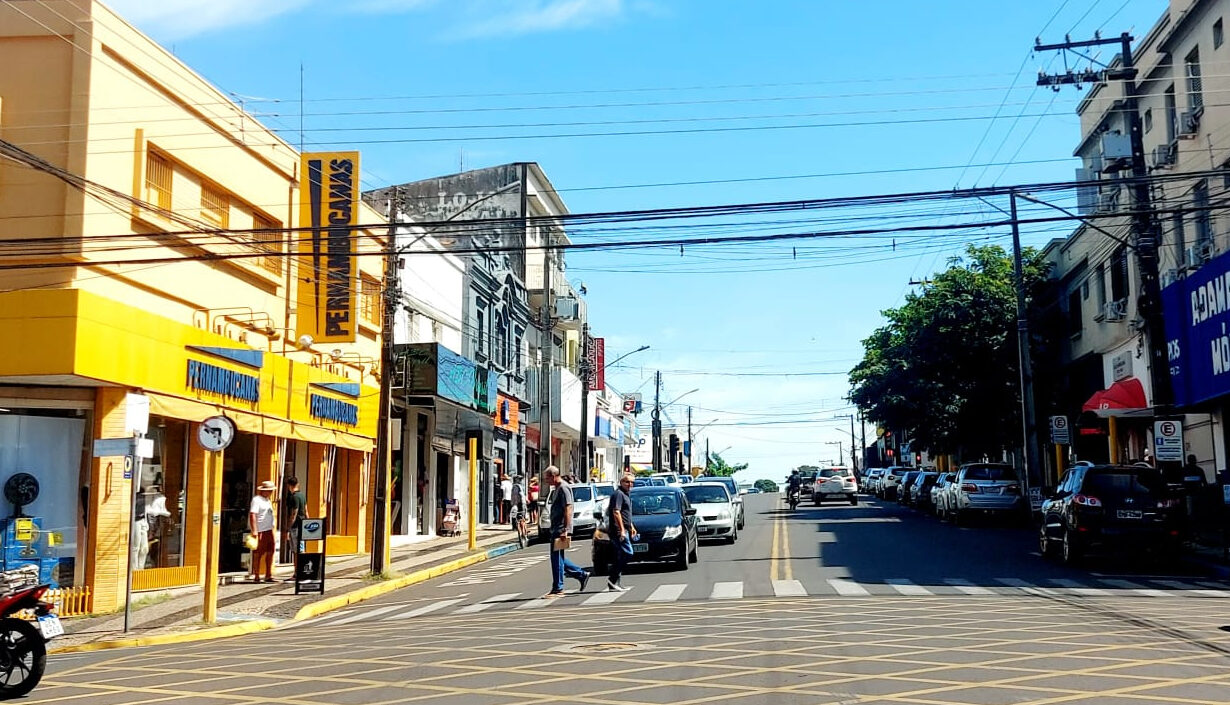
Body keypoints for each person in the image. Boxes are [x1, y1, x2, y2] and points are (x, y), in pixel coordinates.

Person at [544, 466, 589, 597]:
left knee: (557, 558)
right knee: (557, 558)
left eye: (547, 478)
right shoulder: (557, 488)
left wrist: (566, 529)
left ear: (553, 476)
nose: (546, 481)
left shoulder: (564, 488)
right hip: (556, 527)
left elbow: (568, 508)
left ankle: (558, 587)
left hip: (560, 528)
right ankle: (581, 574)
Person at [606, 473, 637, 592]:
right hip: (618, 531)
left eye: (632, 482)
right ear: (621, 482)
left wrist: (631, 527)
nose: (630, 484)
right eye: (627, 482)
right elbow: (616, 512)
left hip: (625, 529)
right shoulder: (618, 494)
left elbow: (626, 514)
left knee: (620, 555)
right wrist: (622, 530)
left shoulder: (626, 494)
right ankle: (612, 578)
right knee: (628, 553)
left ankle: (614, 583)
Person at [249, 480, 277, 583]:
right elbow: (253, 514)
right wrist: (255, 530)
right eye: (269, 490)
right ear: (263, 491)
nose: (271, 492)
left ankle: (268, 574)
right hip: (260, 530)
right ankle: (256, 575)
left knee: (270, 551)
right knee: (258, 553)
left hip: (269, 529)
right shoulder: (257, 500)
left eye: (271, 491)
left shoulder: (268, 500)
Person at [281, 476, 306, 568]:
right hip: (303, 525)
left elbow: (294, 514)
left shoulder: (294, 497)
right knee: (301, 549)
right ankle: (302, 569)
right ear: (297, 484)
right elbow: (306, 510)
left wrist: (288, 528)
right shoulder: (302, 496)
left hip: (295, 526)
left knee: (296, 550)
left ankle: (297, 570)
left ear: (289, 486)